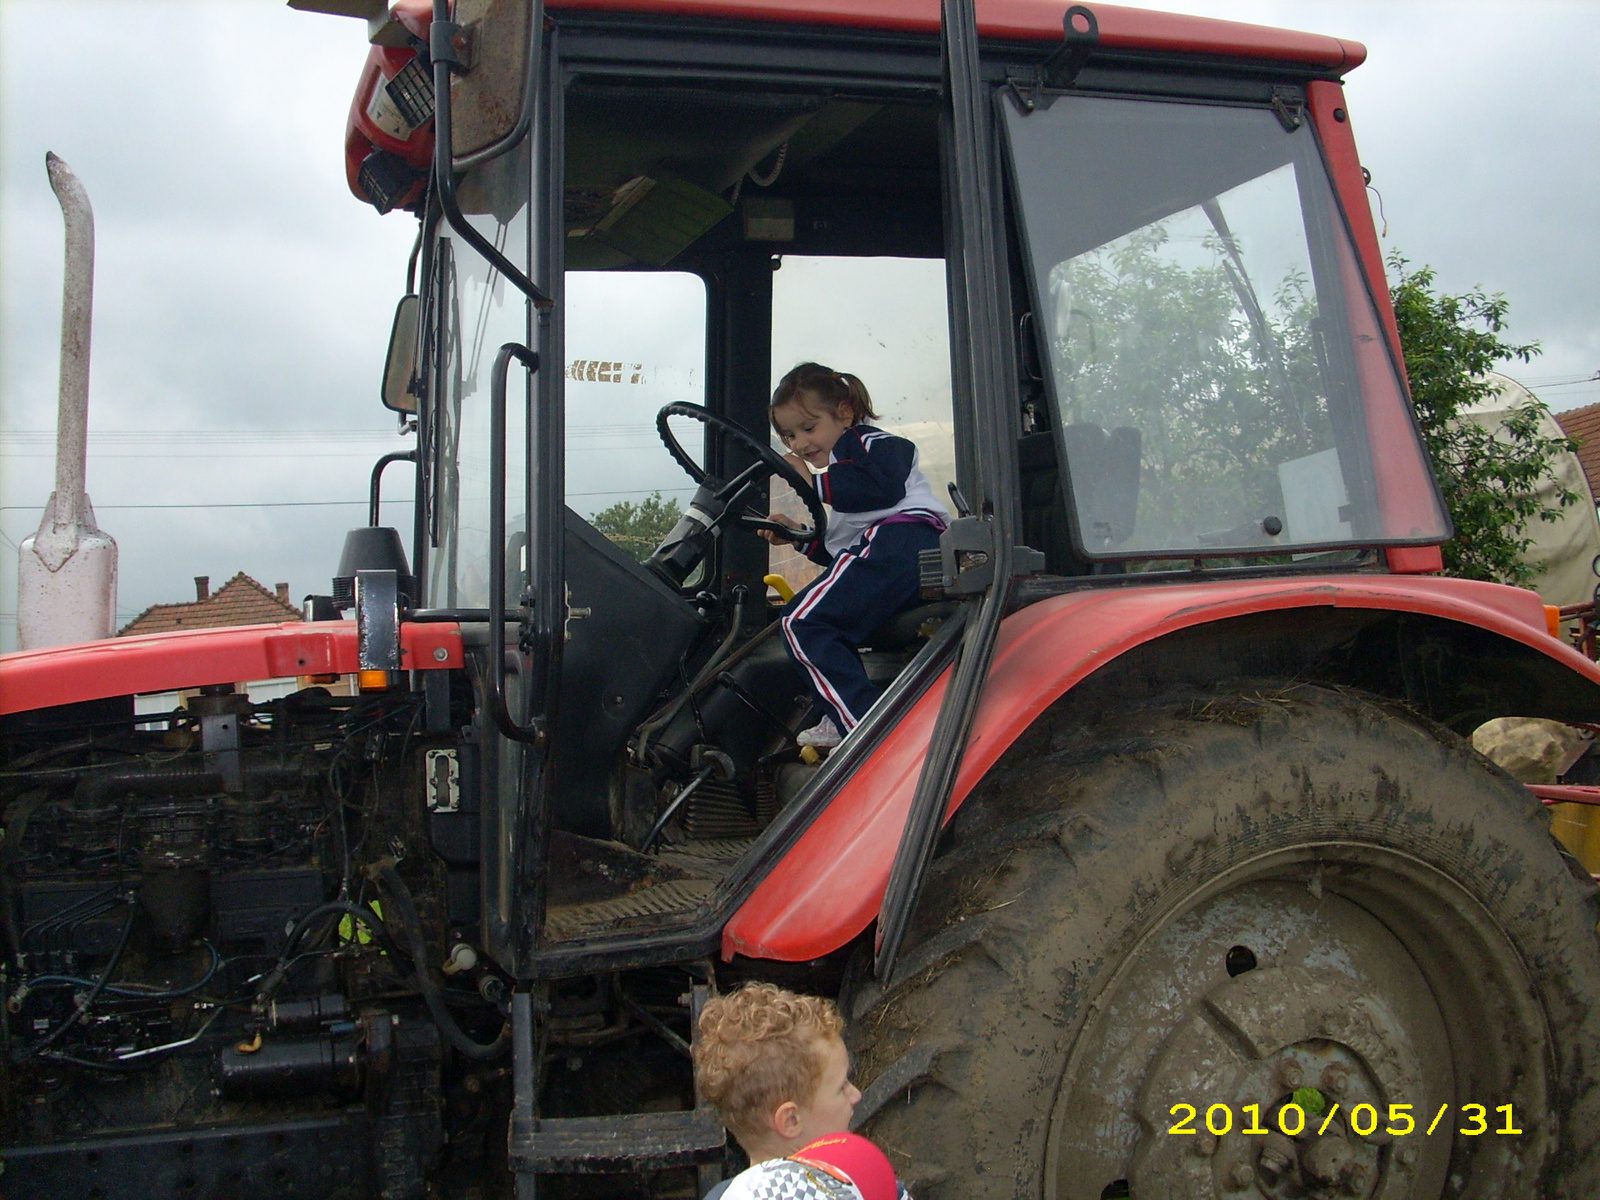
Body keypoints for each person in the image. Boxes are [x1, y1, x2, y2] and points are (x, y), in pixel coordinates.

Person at [760, 363, 949, 749]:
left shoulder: (871, 444)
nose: (798, 445)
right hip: (888, 547)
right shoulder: (845, 482)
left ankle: (864, 725)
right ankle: (842, 710)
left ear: (844, 413)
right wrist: (796, 536)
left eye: (809, 428)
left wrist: (812, 482)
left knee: (803, 623)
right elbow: (842, 554)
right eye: (790, 436)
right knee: (812, 619)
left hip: (905, 539)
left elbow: (880, 485)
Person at [693, 982, 908, 1200]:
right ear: (791, 1120)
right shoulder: (863, 1184)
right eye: (841, 1087)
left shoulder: (721, 1195)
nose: (856, 1095)